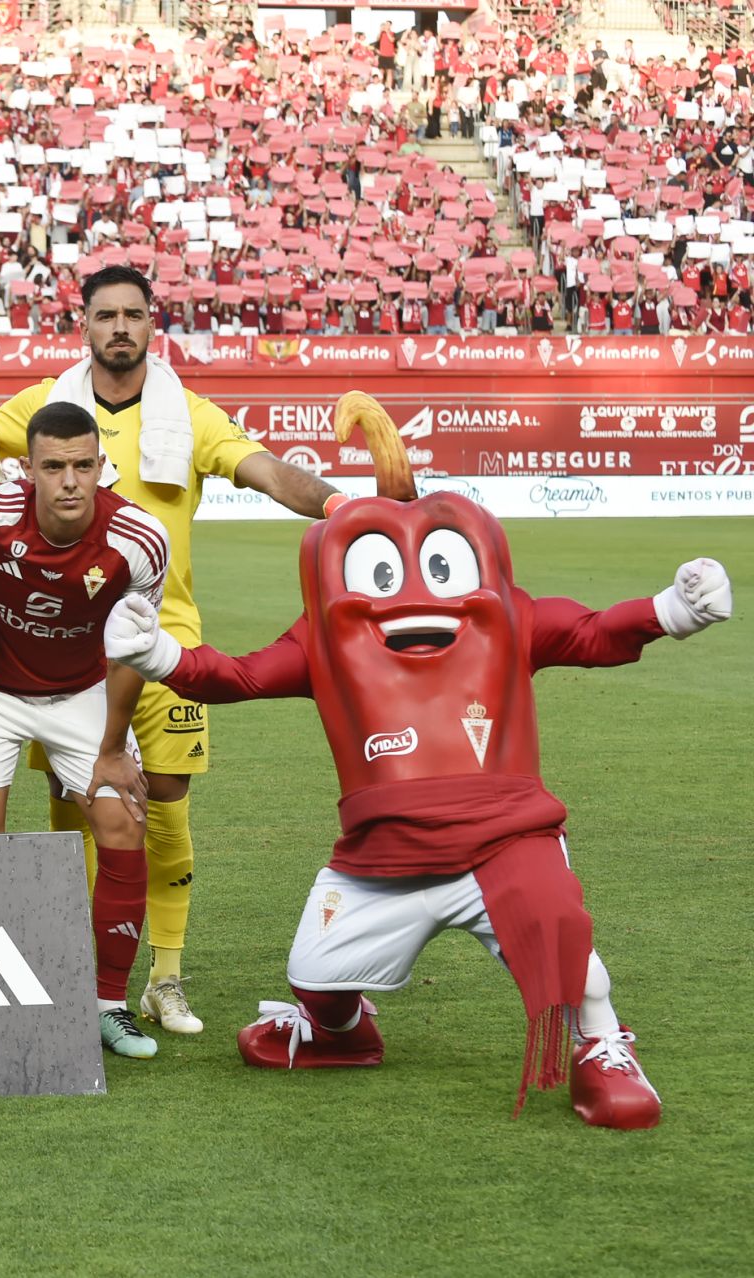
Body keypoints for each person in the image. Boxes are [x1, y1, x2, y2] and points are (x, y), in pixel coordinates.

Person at [104, 404, 735, 1128]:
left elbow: (593, 631)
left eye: (439, 565)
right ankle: (340, 1033)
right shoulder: (327, 638)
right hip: (383, 856)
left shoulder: (509, 617)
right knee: (314, 971)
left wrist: (672, 610)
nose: (411, 590)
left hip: (504, 840)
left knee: (574, 963)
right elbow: (240, 676)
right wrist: (158, 655)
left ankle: (601, 1048)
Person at [0, 265, 341, 1037]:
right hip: (67, 651)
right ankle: (81, 969)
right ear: (84, 326)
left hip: (168, 649)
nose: (119, 327)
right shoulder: (48, 405)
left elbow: (270, 472)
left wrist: (341, 504)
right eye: (105, 315)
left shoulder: (193, 414)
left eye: (133, 315)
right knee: (78, 814)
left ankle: (164, 978)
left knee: (167, 810)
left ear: (153, 325)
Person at [0, 403, 171, 1058]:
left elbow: (132, 652)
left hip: (84, 695)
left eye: (83, 466)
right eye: (55, 467)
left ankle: (108, 1003)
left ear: (102, 467)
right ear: (28, 470)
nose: (70, 482)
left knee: (124, 823)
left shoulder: (139, 538)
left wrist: (113, 749)